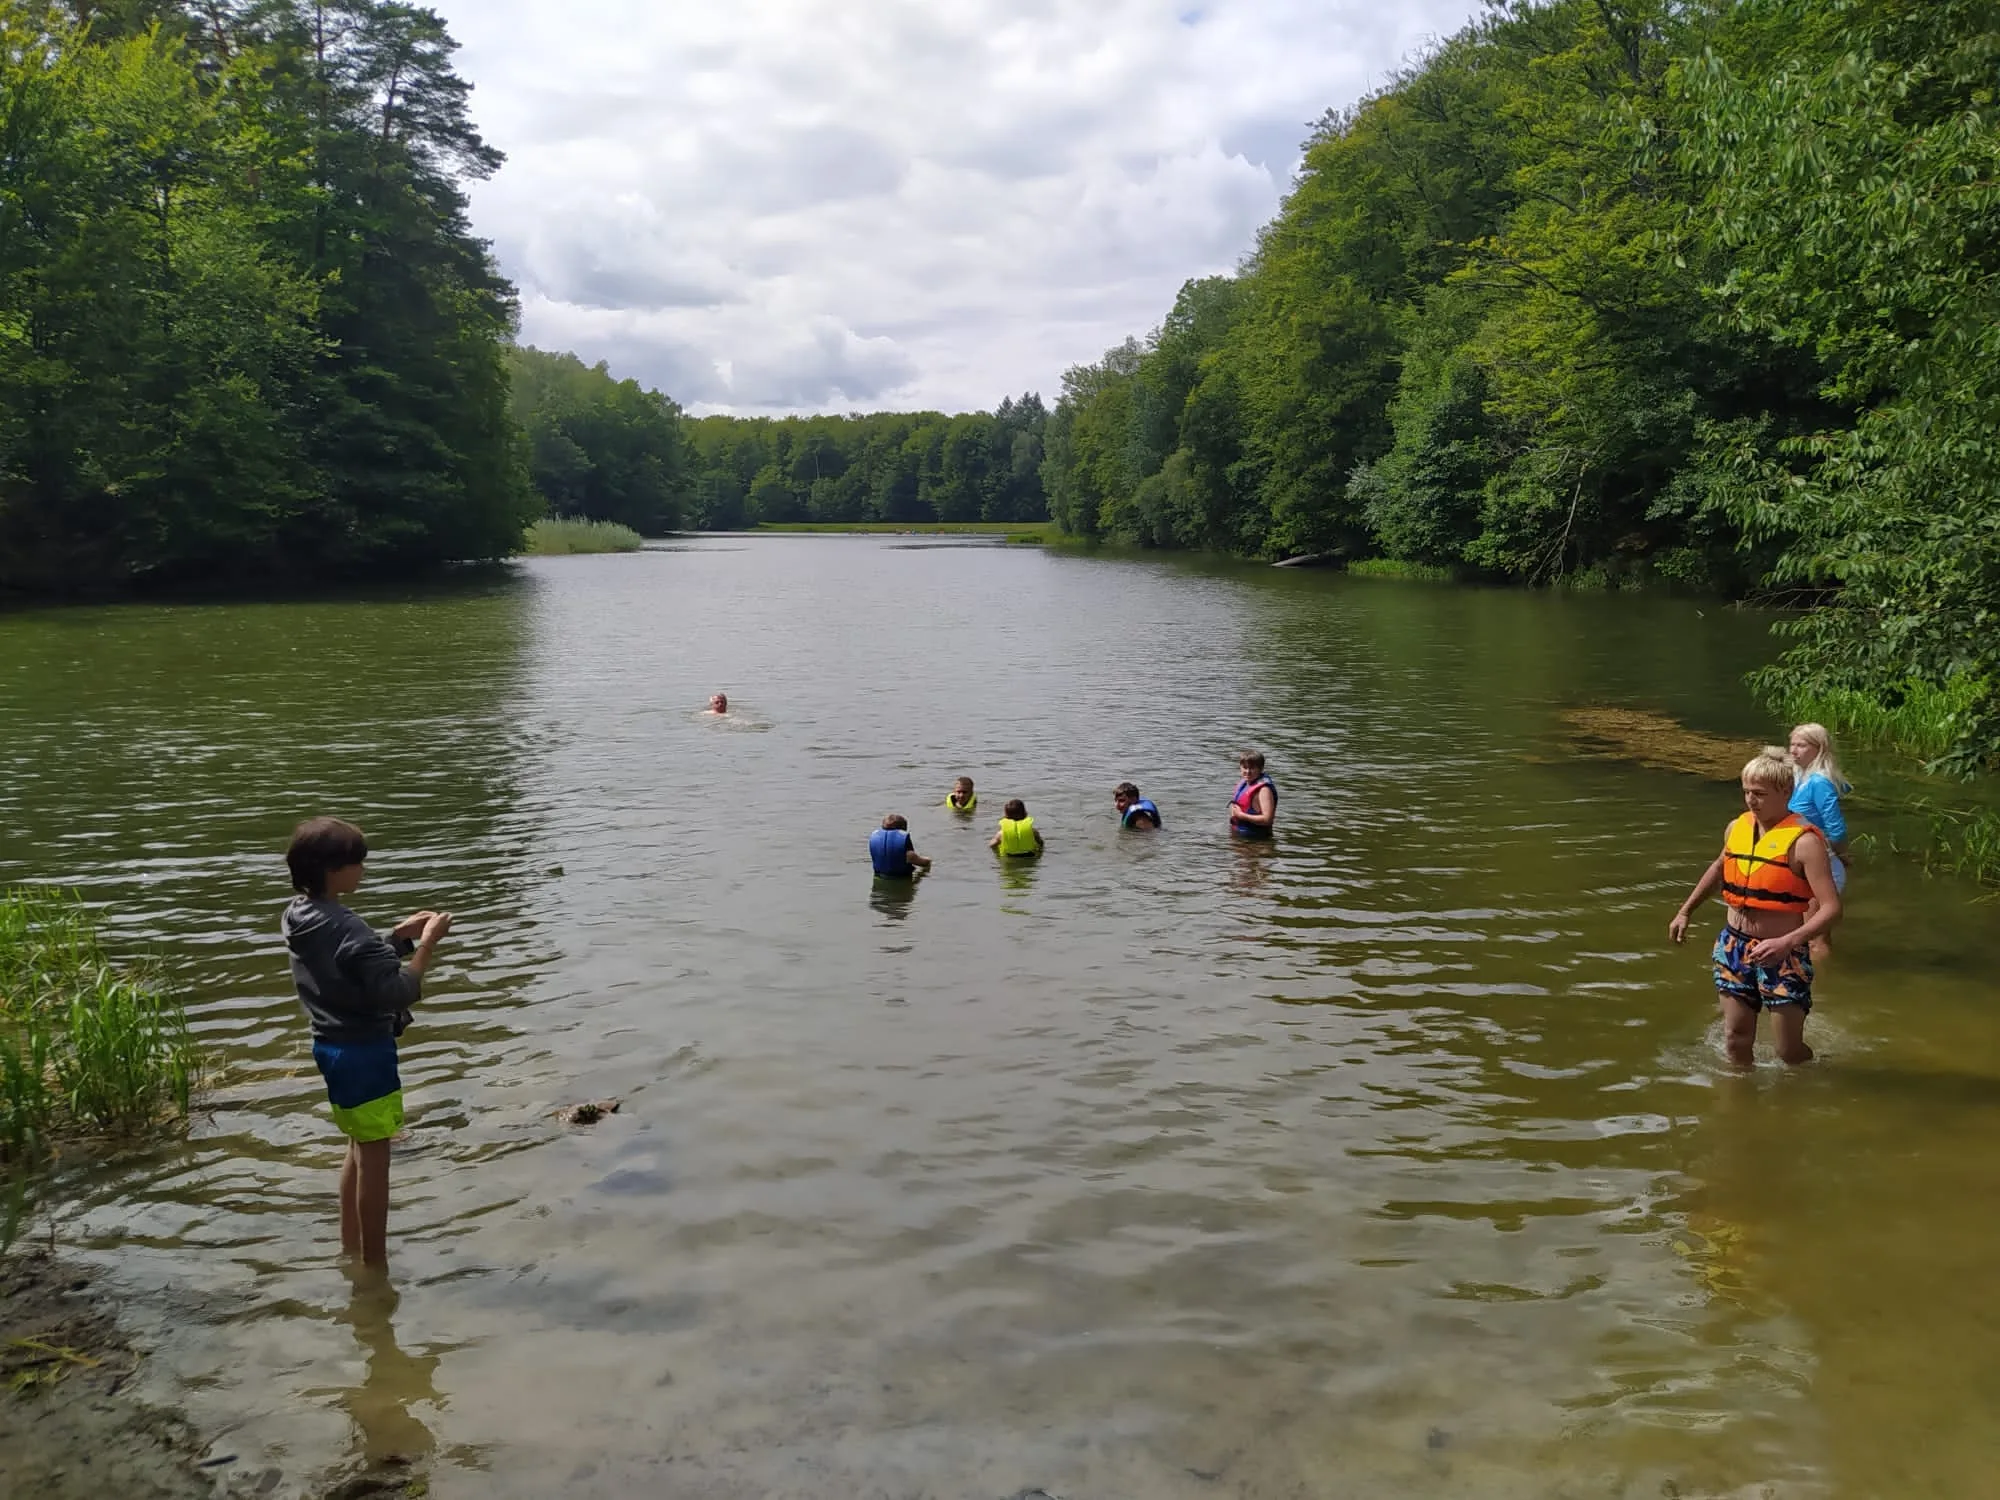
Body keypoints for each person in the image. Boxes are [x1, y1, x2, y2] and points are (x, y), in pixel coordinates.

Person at [283, 817, 451, 1268]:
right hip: (365, 1052)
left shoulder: (299, 915)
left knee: (358, 1146)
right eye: (358, 862)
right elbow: (398, 990)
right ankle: (375, 1270)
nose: (363, 869)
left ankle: (350, 1249)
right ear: (333, 869)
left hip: (330, 1047)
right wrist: (426, 946)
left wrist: (395, 939)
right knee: (377, 1158)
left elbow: (349, 966)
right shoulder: (350, 928)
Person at [1669, 748, 1842, 1067]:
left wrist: (1788, 942)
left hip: (1784, 951)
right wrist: (1685, 911)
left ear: (1786, 792)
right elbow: (1720, 867)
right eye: (1747, 791)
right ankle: (1740, 1106)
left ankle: (1813, 1081)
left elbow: (1831, 908)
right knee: (1736, 1041)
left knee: (1788, 1053)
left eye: (1760, 793)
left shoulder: (1804, 843)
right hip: (1734, 946)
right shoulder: (1736, 828)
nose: (1751, 800)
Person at [869, 813, 932, 879]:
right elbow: (916, 859)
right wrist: (928, 861)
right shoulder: (904, 846)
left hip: (878, 878)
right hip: (901, 879)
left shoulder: (875, 838)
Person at [1228, 752, 1276, 838]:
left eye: (1252, 768)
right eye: (1245, 768)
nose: (1248, 771)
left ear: (1261, 769)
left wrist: (1241, 816)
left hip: (1257, 840)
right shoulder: (1244, 783)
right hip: (1239, 835)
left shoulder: (1264, 790)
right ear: (1240, 767)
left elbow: (1267, 820)